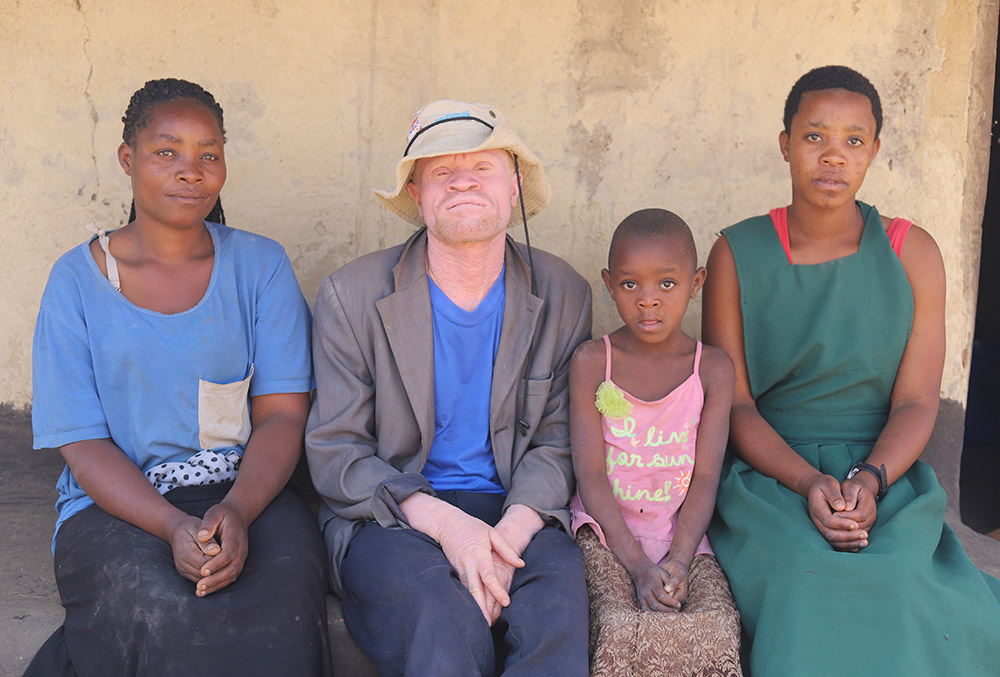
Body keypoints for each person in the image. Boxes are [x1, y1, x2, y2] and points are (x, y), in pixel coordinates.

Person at [27, 78, 332, 676]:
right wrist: (170, 525)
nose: (190, 170)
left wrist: (239, 509)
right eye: (167, 151)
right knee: (159, 608)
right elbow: (82, 442)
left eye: (208, 154)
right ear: (127, 159)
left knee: (284, 608)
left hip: (250, 492)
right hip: (116, 503)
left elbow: (283, 414)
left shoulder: (260, 266)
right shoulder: (76, 281)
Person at [702, 65, 1000, 675]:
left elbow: (917, 401)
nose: (832, 156)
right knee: (802, 577)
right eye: (814, 137)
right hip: (770, 473)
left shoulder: (911, 251)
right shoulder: (737, 252)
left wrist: (868, 481)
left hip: (886, 469)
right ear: (786, 144)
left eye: (853, 140)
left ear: (874, 152)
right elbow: (735, 405)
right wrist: (810, 483)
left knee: (897, 579)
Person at [305, 99, 592, 675]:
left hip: (519, 510)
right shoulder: (350, 295)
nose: (462, 180)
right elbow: (336, 451)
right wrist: (450, 527)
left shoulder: (564, 291)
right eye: (440, 170)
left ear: (513, 187)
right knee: (441, 618)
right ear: (417, 194)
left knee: (556, 613)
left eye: (482, 167)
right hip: (392, 514)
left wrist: (507, 535)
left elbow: (561, 441)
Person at [569, 209, 741, 676]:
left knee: (718, 624)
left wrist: (680, 560)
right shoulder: (592, 362)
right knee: (620, 625)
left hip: (683, 536)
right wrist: (639, 565)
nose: (648, 301)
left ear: (696, 281)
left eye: (666, 284)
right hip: (606, 537)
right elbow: (590, 475)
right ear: (609, 283)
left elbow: (706, 476)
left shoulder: (713, 370)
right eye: (630, 285)